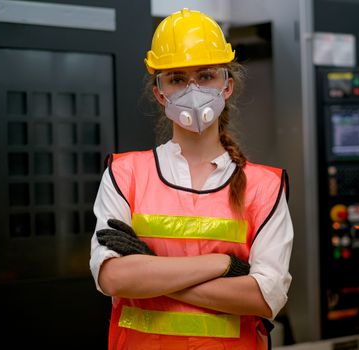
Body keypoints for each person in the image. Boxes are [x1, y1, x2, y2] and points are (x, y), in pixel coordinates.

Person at [89, 8, 294, 350]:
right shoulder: (124, 175)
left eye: (205, 76)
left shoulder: (265, 187)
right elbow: (111, 278)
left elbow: (263, 296)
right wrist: (224, 264)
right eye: (177, 79)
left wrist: (149, 273)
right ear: (160, 93)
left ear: (227, 86)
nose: (193, 89)